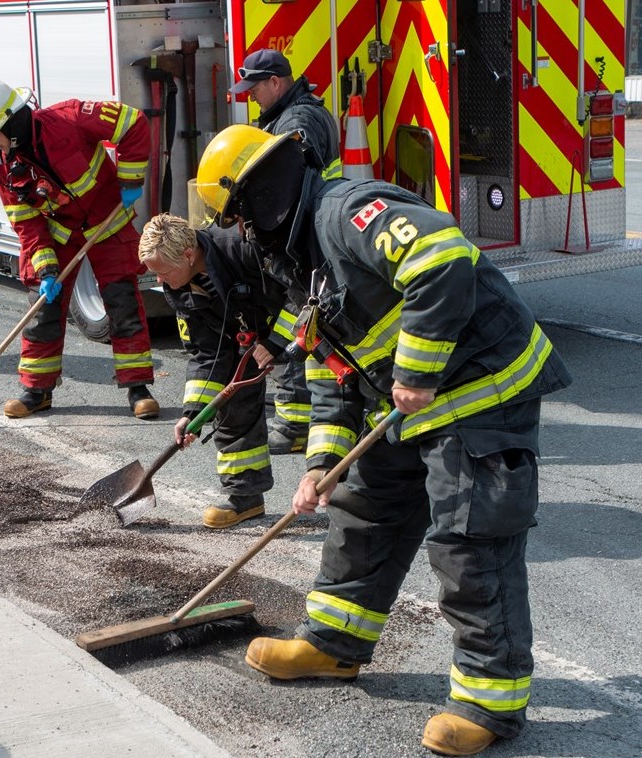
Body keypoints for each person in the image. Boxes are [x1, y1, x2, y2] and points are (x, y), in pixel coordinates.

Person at [193, 124, 573, 756]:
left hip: (482, 390)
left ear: (260, 195)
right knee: (363, 509)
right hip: (405, 407)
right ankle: (332, 643)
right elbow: (327, 371)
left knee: (469, 540)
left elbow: (440, 261)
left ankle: (488, 700)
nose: (243, 234)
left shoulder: (347, 212)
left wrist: (416, 371)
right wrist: (320, 466)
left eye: (240, 218)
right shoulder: (301, 262)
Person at [0, 80, 159, 419]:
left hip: (106, 219)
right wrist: (47, 268)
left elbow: (133, 123)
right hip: (59, 234)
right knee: (43, 307)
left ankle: (137, 388)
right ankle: (36, 390)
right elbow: (26, 222)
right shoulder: (4, 167)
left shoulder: (71, 119)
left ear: (12, 124)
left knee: (121, 300)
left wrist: (130, 180)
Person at [138, 213, 291, 528]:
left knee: (336, 405)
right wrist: (193, 413)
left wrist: (276, 343)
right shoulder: (180, 287)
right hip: (255, 336)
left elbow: (302, 294)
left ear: (188, 255)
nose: (159, 281)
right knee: (232, 405)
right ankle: (245, 498)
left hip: (307, 328)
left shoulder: (243, 248)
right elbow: (208, 351)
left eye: (162, 272)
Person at [231, 48, 341, 455]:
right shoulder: (291, 113)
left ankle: (295, 423)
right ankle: (298, 417)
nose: (251, 97)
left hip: (306, 241)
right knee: (298, 320)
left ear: (275, 83)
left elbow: (287, 184)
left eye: (254, 88)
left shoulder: (299, 122)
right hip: (306, 235)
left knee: (298, 318)